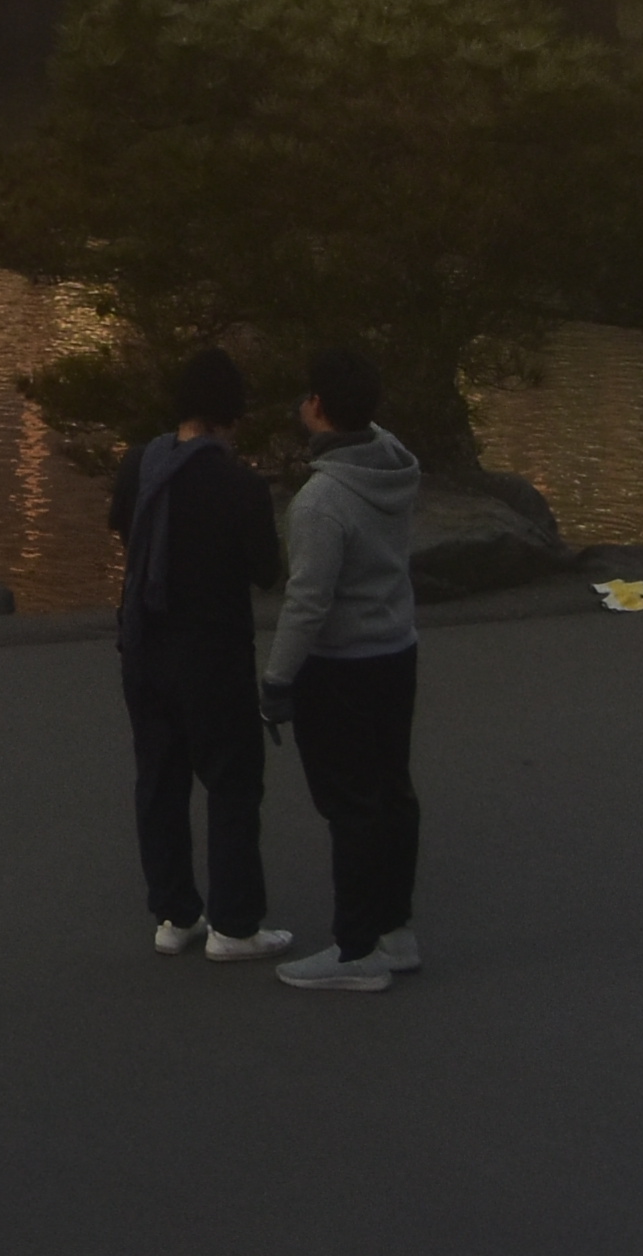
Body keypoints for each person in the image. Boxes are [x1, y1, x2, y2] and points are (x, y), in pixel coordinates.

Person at [111, 345, 291, 961]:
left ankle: (173, 914)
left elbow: (122, 531)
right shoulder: (239, 485)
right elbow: (267, 571)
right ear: (230, 417)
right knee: (232, 784)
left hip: (143, 650)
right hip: (213, 653)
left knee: (158, 781)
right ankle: (234, 924)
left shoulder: (139, 465)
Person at [264, 343, 425, 995]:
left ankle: (355, 948)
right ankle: (393, 929)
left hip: (341, 666)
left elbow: (308, 601)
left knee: (350, 805)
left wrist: (277, 678)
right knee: (391, 793)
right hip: (396, 649)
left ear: (320, 407)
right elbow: (366, 427)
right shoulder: (392, 463)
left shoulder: (320, 502)